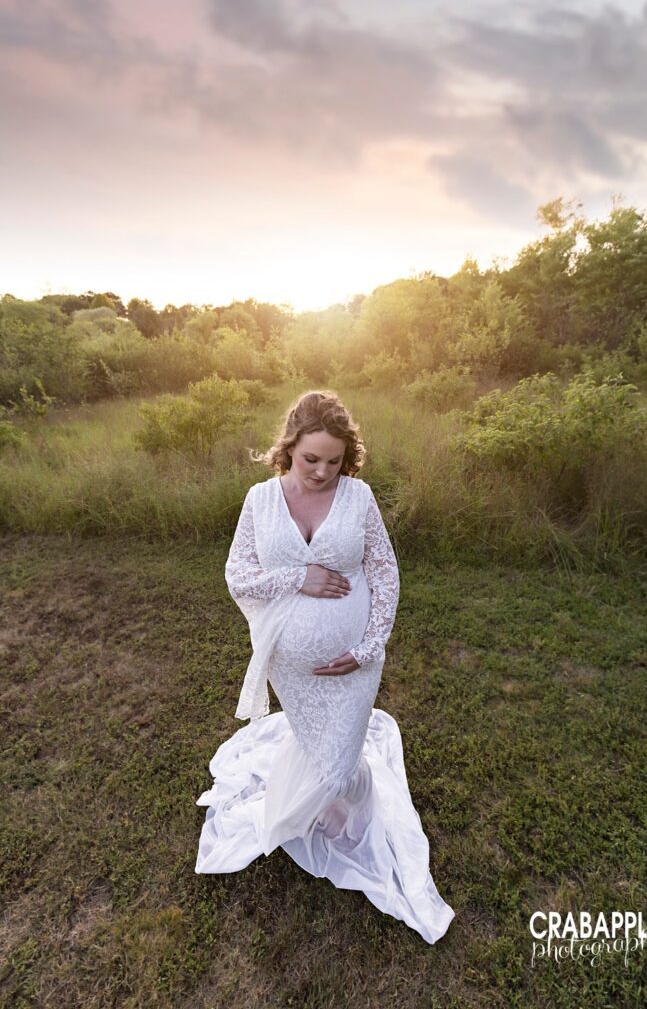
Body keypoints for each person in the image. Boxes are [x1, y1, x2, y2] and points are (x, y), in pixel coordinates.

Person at [194, 390, 454, 943]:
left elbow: (385, 573)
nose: (322, 471)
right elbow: (238, 576)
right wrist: (299, 577)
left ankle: (319, 809)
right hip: (291, 667)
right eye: (312, 458)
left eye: (334, 461)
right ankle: (329, 810)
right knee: (317, 744)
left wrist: (369, 646)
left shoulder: (358, 498)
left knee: (338, 761)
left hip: (354, 659)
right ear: (288, 448)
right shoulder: (260, 501)